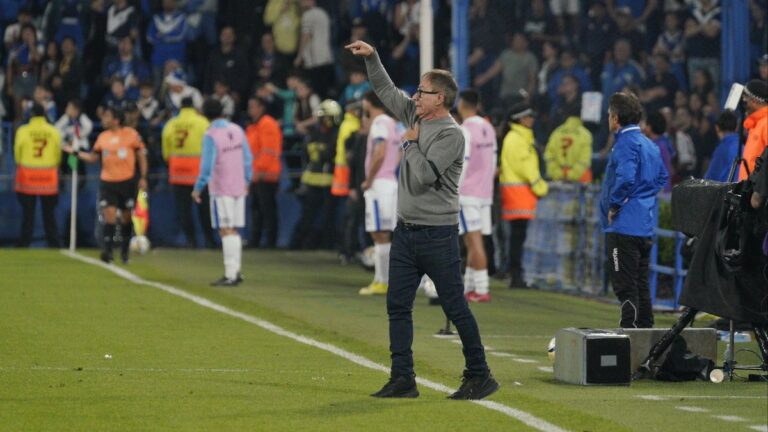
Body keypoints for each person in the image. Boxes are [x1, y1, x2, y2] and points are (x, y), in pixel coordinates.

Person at [346, 39, 498, 400]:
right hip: (406, 232)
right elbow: (385, 89)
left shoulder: (451, 134)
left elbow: (427, 175)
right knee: (397, 305)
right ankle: (403, 378)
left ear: (440, 98)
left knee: (455, 307)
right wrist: (374, 58)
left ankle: (480, 374)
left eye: (422, 92)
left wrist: (410, 144)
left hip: (437, 234)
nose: (414, 97)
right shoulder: (414, 116)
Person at [600, 92, 668, 329]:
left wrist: (616, 204)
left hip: (623, 226)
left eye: (609, 115)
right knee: (640, 284)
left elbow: (626, 177)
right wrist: (644, 197)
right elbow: (662, 177)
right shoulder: (650, 145)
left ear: (616, 118)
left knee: (624, 285)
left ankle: (628, 337)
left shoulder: (625, 145)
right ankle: (647, 335)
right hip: (644, 225)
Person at [73, 107, 148, 263]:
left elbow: (141, 156)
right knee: (110, 217)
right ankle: (107, 253)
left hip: (127, 182)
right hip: (107, 182)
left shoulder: (131, 135)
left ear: (116, 120)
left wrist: (143, 177)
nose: (103, 119)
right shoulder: (102, 137)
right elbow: (93, 158)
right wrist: (75, 152)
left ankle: (125, 253)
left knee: (127, 218)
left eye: (106, 116)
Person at [192, 98, 253, 286]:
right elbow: (248, 158)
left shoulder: (211, 135)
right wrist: (247, 180)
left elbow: (207, 166)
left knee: (225, 230)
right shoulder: (237, 129)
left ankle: (230, 275)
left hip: (222, 188)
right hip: (239, 187)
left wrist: (198, 187)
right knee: (233, 229)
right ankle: (236, 272)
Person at [500, 102, 548, 289]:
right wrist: (541, 187)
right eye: (529, 116)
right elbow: (526, 167)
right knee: (517, 237)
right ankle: (516, 275)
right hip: (519, 194)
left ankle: (516, 274)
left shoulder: (517, 137)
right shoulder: (517, 139)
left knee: (516, 237)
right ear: (520, 118)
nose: (532, 119)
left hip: (516, 193)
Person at [358, 90, 402, 295]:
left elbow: (380, 151)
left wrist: (370, 179)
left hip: (380, 185)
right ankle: (384, 280)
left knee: (379, 234)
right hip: (389, 182)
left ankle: (382, 281)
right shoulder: (392, 122)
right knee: (383, 233)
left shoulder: (379, 123)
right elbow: (399, 151)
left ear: (368, 103)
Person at [456, 89, 496, 303]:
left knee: (474, 240)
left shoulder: (464, 130)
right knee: (474, 242)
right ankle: (470, 287)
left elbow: (463, 163)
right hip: (484, 193)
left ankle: (481, 289)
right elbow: (493, 162)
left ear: (462, 104)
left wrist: (455, 190)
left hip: (468, 193)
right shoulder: (488, 127)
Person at [162, 96, 215, 248]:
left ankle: (191, 241)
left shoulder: (171, 124)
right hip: (199, 174)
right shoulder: (202, 122)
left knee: (184, 210)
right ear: (193, 106)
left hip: (177, 172)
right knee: (204, 209)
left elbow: (166, 152)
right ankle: (209, 240)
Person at [14, 103, 62, 248]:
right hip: (48, 175)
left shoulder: (23, 131)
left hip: (27, 175)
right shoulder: (53, 131)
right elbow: (57, 153)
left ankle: (24, 242)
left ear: (32, 114)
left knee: (28, 213)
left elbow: (17, 152)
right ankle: (53, 242)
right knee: (49, 213)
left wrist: (22, 163)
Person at [246, 96, 283, 249]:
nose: (250, 110)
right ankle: (256, 240)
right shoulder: (255, 126)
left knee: (266, 209)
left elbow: (268, 151)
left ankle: (270, 242)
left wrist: (259, 170)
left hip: (266, 175)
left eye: (253, 106)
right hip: (257, 174)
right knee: (258, 209)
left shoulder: (267, 124)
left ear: (261, 108)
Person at [544, 102, 593, 183]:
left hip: (558, 179)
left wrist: (558, 173)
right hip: (581, 181)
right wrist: (571, 175)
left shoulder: (557, 132)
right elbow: (584, 159)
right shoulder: (585, 134)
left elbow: (549, 155)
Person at [739, 79, 768, 181]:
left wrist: (759, 192)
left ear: (755, 101)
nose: (743, 103)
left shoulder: (766, 123)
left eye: (745, 98)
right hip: (749, 189)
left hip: (758, 192)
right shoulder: (756, 124)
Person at [703, 110, 738, 183]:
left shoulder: (722, 149)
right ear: (736, 127)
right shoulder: (743, 146)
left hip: (727, 191)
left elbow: (711, 176)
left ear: (717, 128)